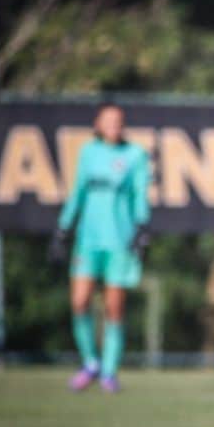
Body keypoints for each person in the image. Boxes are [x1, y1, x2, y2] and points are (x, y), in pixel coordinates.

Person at [50, 102, 151, 394]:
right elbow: (78, 191)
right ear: (97, 123)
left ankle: (108, 371)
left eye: (118, 120)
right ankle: (90, 362)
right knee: (80, 302)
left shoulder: (134, 155)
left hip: (119, 240)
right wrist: (62, 228)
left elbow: (139, 195)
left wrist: (142, 229)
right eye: (108, 120)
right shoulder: (89, 153)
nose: (113, 125)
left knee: (113, 308)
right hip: (88, 240)